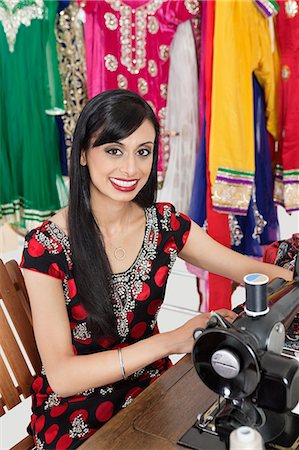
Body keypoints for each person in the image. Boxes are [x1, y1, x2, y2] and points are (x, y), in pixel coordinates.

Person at [21, 89, 292, 449]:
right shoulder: (47, 246)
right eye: (114, 150)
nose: (131, 169)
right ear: (84, 153)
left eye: (143, 152)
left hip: (151, 389)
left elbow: (249, 271)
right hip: (76, 413)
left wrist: (288, 280)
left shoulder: (163, 223)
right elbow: (63, 377)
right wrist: (171, 341)